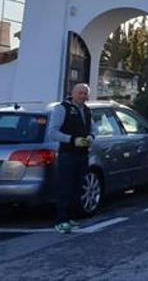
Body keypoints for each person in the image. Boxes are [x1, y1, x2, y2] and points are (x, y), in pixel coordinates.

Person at [48, 83, 94, 234]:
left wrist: (90, 137)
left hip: (83, 154)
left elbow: (93, 129)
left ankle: (70, 218)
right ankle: (60, 220)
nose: (83, 96)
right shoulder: (62, 108)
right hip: (68, 154)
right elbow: (52, 132)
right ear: (73, 93)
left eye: (85, 93)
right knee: (65, 188)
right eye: (80, 93)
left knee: (77, 188)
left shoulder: (86, 110)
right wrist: (72, 139)